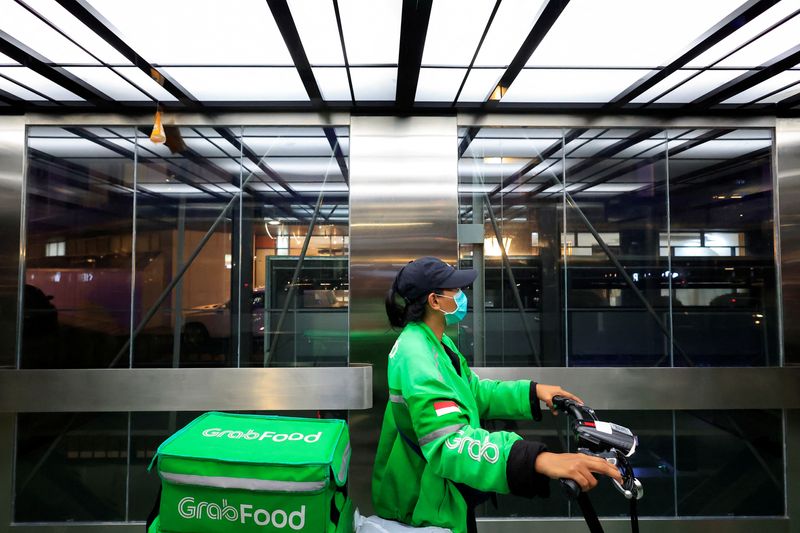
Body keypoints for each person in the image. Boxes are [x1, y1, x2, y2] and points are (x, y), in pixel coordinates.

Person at [371, 257, 622, 533]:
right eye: (454, 290)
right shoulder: (415, 354)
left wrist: (533, 392)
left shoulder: (438, 342)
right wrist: (538, 459)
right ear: (434, 301)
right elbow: (448, 443)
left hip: (442, 492)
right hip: (424, 503)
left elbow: (474, 392)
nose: (461, 296)